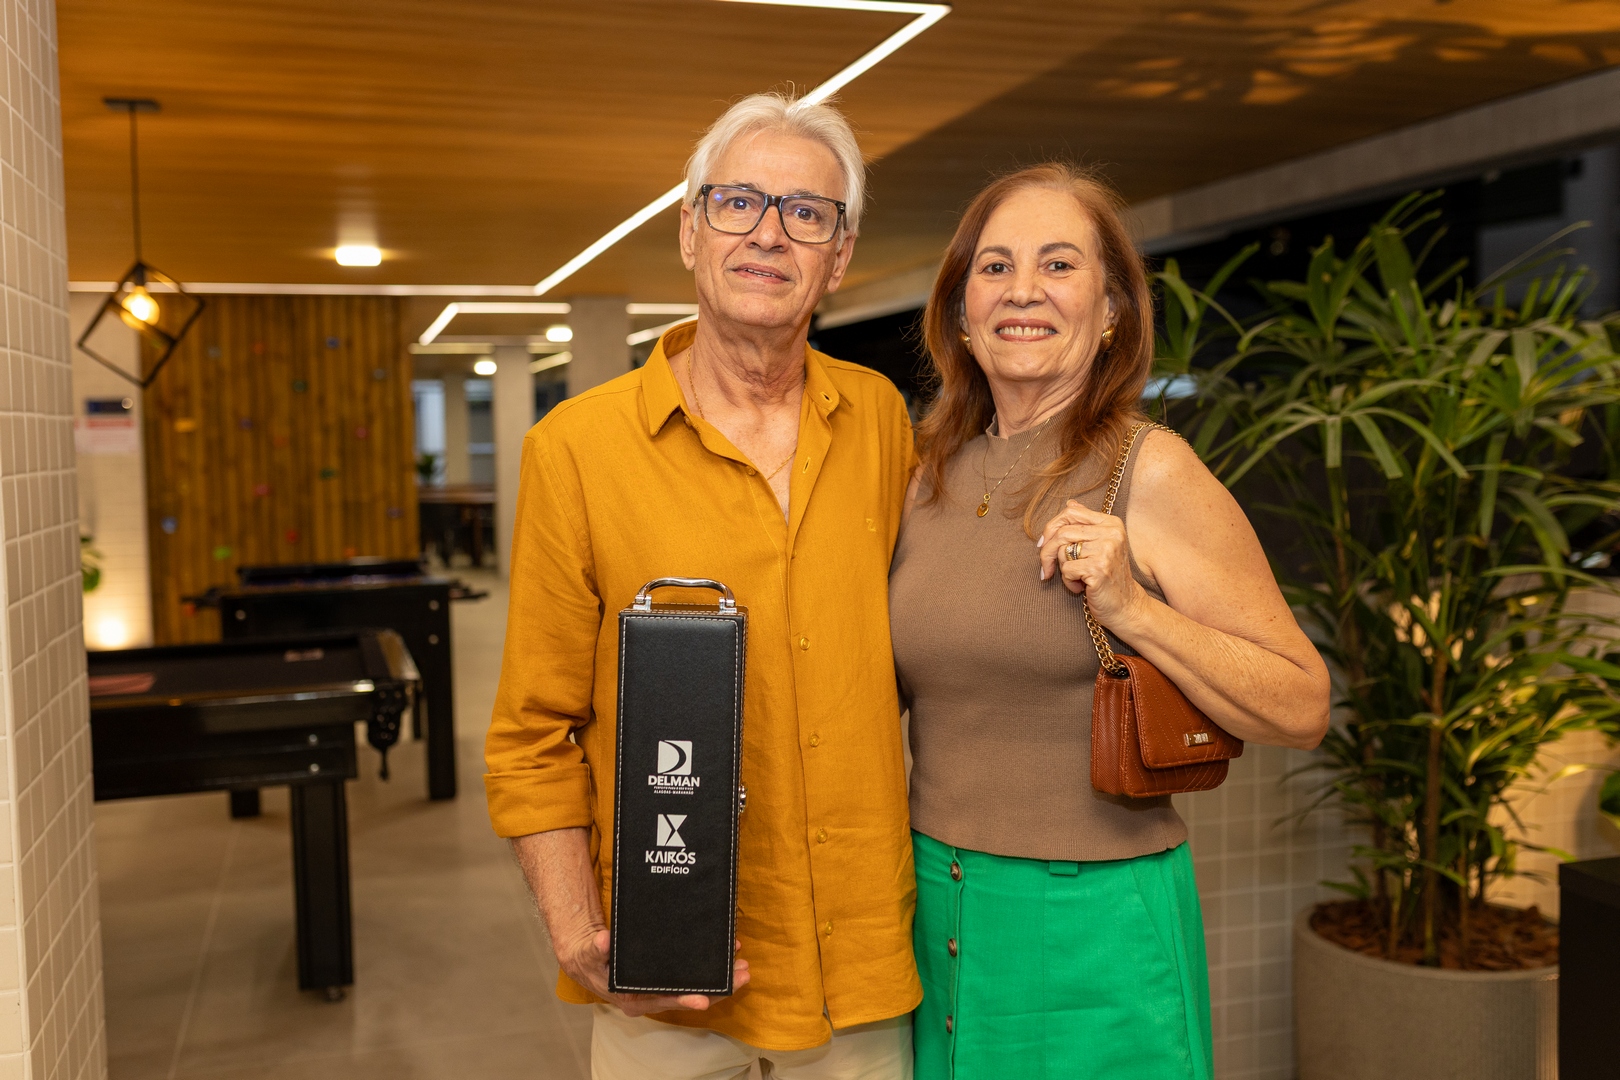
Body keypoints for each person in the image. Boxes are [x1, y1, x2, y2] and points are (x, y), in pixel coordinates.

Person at [485, 92, 921, 1079]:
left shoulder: (882, 422)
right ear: (690, 231)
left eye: (806, 213)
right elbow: (532, 732)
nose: (769, 233)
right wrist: (577, 931)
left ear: (838, 257)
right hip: (665, 966)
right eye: (738, 202)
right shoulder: (576, 450)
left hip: (857, 965)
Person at [889, 163, 1332, 1080]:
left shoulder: (1149, 468)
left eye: (1059, 265)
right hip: (934, 910)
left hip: (1094, 923)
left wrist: (1134, 609)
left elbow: (1301, 705)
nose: (1023, 290)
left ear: (1111, 310)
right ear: (962, 310)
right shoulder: (924, 476)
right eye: (995, 267)